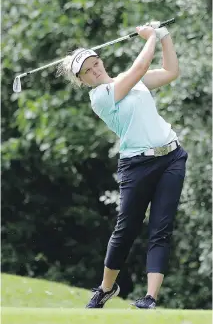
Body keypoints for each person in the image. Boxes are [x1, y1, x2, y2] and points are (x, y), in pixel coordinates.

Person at [56, 23, 188, 309]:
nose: (95, 71)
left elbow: (170, 72)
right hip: (137, 165)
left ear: (101, 61)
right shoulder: (100, 97)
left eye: (96, 63)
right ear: (82, 80)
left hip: (171, 157)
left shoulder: (130, 81)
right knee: (126, 229)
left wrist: (165, 38)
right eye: (87, 71)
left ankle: (151, 298)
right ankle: (106, 288)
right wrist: (150, 36)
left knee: (161, 228)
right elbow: (139, 69)